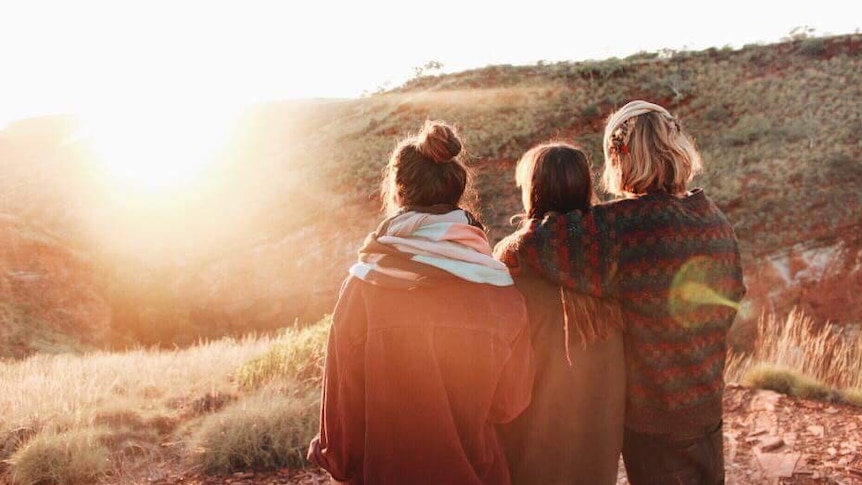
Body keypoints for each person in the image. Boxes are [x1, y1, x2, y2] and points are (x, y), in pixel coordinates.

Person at [495, 100, 746, 485]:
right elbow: (733, 295)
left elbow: (535, 242)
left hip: (655, 418)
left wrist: (499, 252)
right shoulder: (712, 215)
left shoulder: (622, 227)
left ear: (620, 157)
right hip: (706, 404)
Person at [307, 120, 534, 485]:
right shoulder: (500, 290)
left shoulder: (364, 287)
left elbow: (341, 433)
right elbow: (509, 404)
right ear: (456, 191)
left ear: (398, 195)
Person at [495, 142, 626, 485]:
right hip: (596, 466)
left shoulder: (512, 282)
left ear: (534, 194)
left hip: (529, 467)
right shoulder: (615, 271)